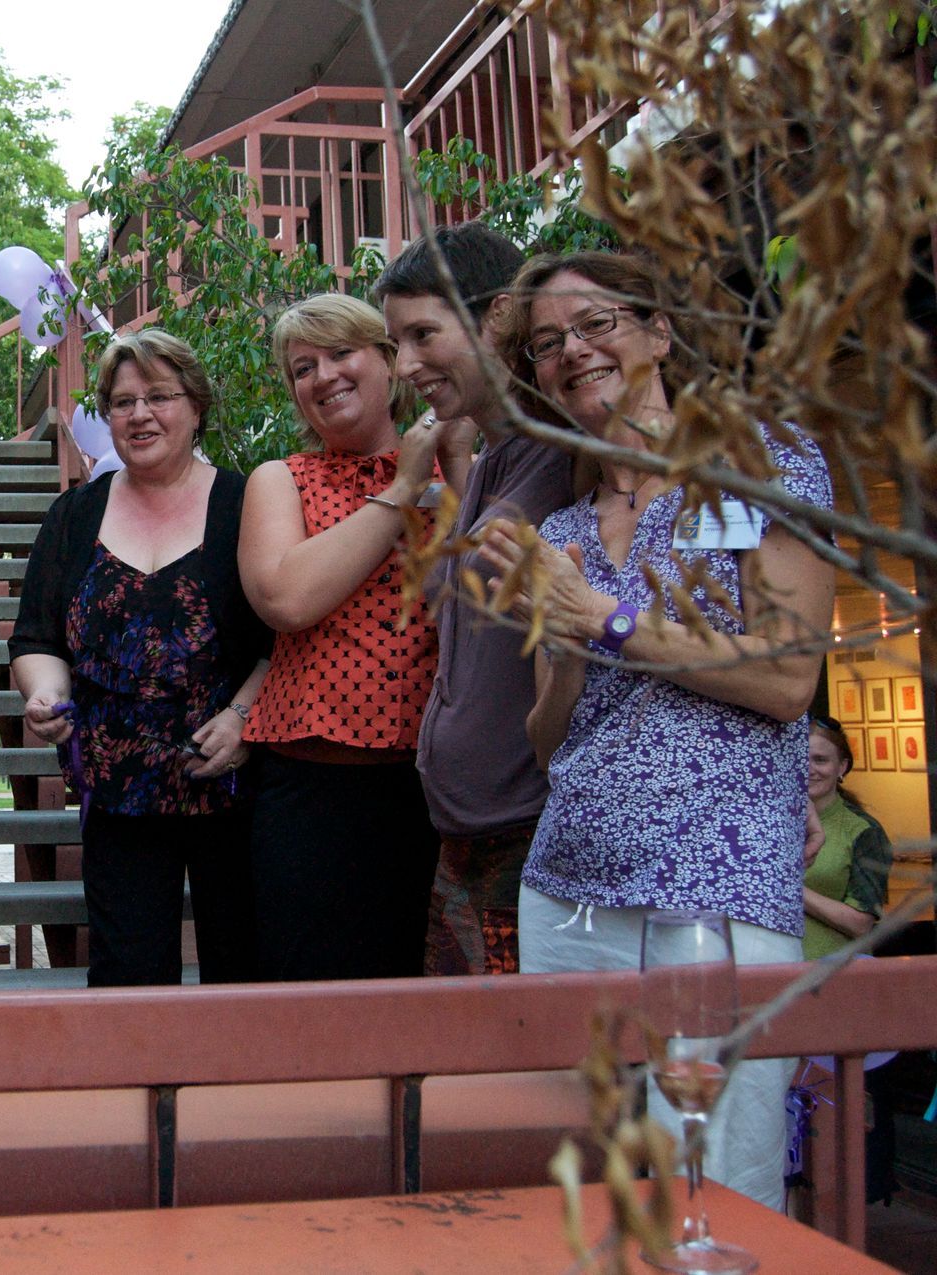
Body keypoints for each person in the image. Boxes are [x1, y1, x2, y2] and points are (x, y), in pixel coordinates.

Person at [478, 250, 834, 1210]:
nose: (574, 353)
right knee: (585, 1179)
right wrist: (562, 637)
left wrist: (605, 618)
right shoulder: (561, 533)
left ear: (659, 330)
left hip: (714, 882)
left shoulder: (764, 463)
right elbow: (552, 743)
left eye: (597, 325)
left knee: (717, 1177)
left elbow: (789, 677)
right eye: (549, 344)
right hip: (570, 890)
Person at [11, 330, 270, 987]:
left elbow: (289, 637)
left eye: (159, 396)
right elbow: (37, 637)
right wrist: (45, 692)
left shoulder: (248, 504)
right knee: (128, 978)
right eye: (122, 402)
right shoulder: (73, 514)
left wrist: (244, 716)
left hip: (234, 785)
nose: (140, 414)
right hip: (118, 790)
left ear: (196, 405)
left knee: (244, 973)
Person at [375, 222, 577, 976]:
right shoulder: (493, 459)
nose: (406, 365)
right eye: (399, 342)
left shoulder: (571, 452)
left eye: (425, 334)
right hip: (465, 835)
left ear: (497, 316)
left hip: (531, 831)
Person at [238, 293, 457, 983]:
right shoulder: (282, 479)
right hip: (313, 789)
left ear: (390, 362)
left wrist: (442, 466)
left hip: (438, 788)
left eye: (341, 353)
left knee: (427, 996)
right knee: (313, 998)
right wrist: (403, 488)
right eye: (303, 367)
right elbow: (287, 596)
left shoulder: (461, 468)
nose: (323, 375)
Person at [803, 716, 891, 960]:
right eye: (799, 759)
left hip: (834, 973)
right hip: (771, 969)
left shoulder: (864, 830)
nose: (809, 769)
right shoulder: (766, 820)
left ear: (841, 767)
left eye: (820, 760)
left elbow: (861, 923)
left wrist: (789, 889)